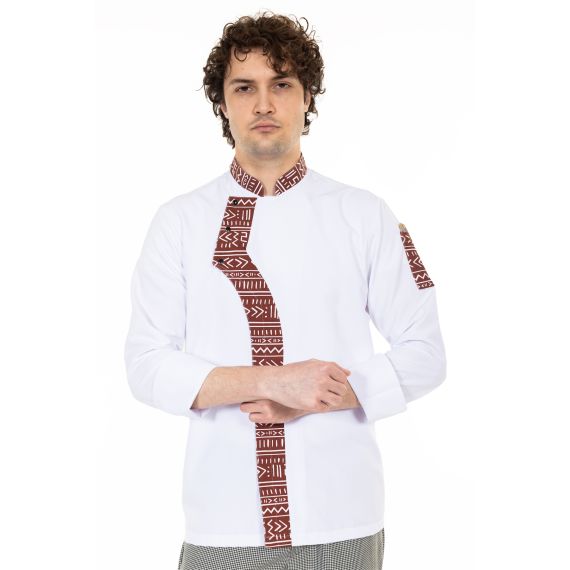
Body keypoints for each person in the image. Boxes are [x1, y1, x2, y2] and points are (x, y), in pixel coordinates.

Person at [123, 11, 447, 570]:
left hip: (342, 515)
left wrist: (327, 394)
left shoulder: (364, 215)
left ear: (306, 97)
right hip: (224, 520)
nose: (264, 104)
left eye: (281, 84)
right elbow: (146, 364)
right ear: (223, 104)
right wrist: (273, 381)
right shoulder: (178, 222)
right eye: (244, 87)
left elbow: (425, 353)